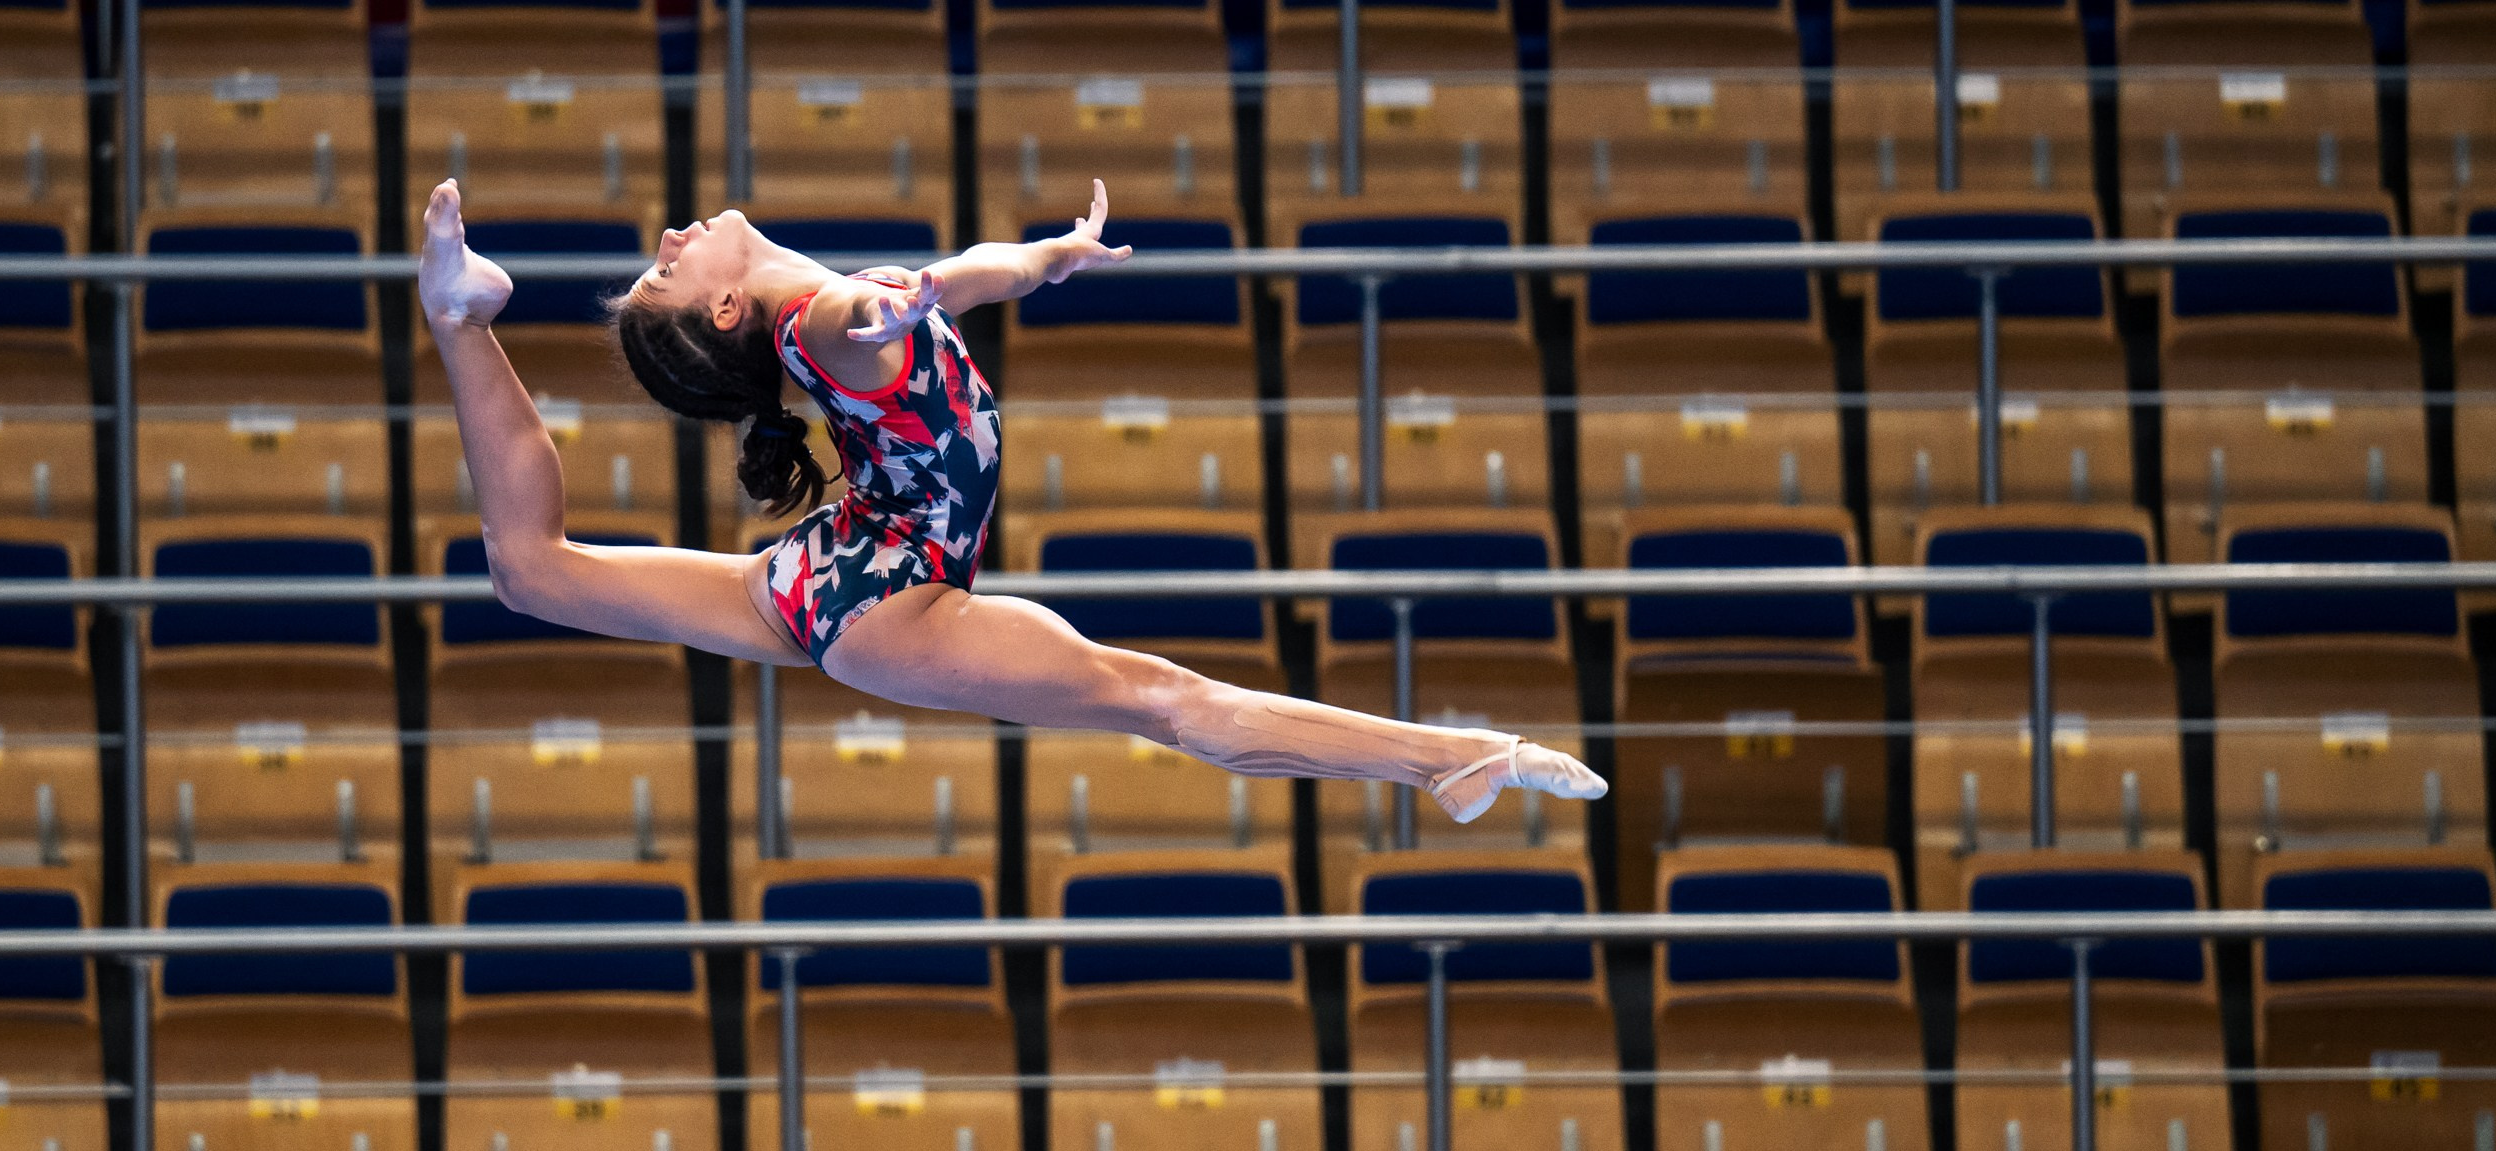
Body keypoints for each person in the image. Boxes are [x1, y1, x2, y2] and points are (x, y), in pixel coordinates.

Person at [414, 179, 1606, 823]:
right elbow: (904, 302)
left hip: (853, 566)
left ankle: (460, 323)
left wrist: (1034, 262)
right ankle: (1450, 760)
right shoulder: (824, 323)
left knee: (534, 571)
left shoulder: (832, 317)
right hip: (888, 599)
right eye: (667, 265)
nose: (674, 233)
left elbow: (949, 284)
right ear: (724, 310)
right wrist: (933, 294)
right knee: (1162, 699)